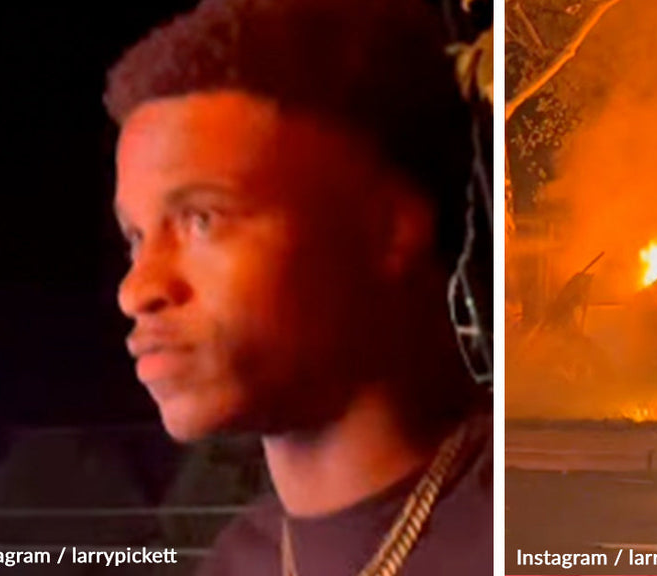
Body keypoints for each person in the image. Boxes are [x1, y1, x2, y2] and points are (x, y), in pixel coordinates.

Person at [104, 0, 492, 574]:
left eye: (202, 219)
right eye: (136, 237)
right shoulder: (235, 564)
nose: (137, 289)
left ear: (385, 228)